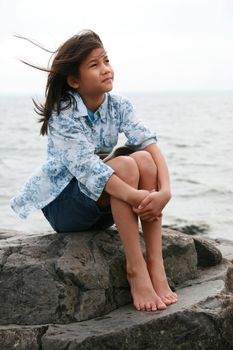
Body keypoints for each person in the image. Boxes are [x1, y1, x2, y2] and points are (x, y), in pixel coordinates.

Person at [10, 29, 178, 312]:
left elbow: (150, 144)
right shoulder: (62, 114)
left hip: (100, 203)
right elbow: (91, 172)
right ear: (74, 81)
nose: (105, 70)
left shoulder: (119, 106)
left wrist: (164, 192)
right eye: (94, 65)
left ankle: (155, 265)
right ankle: (135, 270)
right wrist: (140, 198)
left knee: (144, 161)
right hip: (65, 206)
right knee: (124, 164)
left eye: (106, 60)